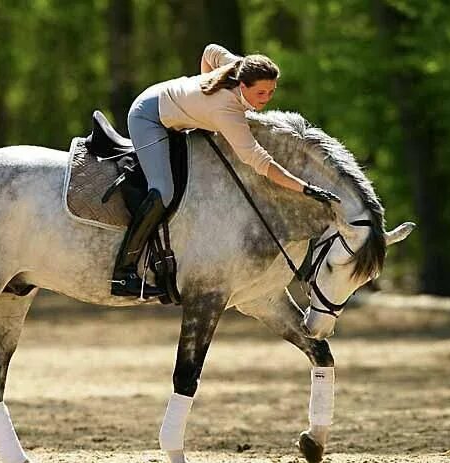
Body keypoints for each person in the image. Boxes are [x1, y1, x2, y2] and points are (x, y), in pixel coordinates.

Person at [110, 43, 341, 298]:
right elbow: (260, 161)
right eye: (261, 93)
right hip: (148, 117)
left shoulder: (241, 67)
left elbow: (210, 51)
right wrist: (304, 188)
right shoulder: (227, 110)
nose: (266, 100)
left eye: (271, 92)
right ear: (243, 87)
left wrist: (202, 88)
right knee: (163, 191)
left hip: (163, 99)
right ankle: (124, 272)